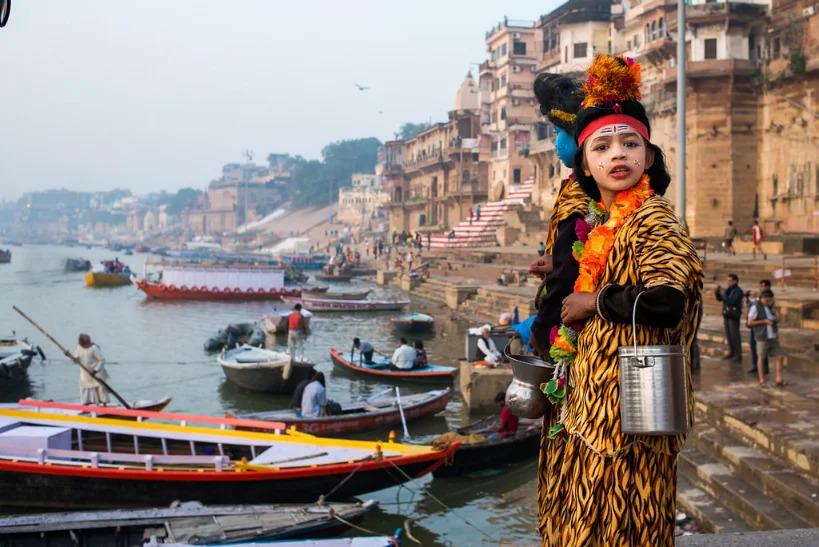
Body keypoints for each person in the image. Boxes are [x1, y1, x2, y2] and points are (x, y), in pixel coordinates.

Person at [537, 55, 704, 545]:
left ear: (649, 157)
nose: (619, 155)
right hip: (590, 411)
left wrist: (596, 302)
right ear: (585, 163)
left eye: (631, 144)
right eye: (603, 146)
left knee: (619, 530)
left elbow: (667, 300)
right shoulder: (608, 221)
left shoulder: (652, 218)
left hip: (627, 422)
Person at [748, 289, 787, 389]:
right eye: (767, 300)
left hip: (772, 336)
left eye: (769, 300)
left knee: (780, 355)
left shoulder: (768, 307)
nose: (768, 302)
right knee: (761, 357)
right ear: (762, 298)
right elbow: (750, 323)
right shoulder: (755, 307)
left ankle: (779, 378)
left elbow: (770, 316)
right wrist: (764, 321)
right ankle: (762, 380)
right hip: (762, 336)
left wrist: (774, 319)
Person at [74, 333, 110, 405]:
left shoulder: (94, 348)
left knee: (101, 389)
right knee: (85, 388)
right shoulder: (79, 348)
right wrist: (73, 358)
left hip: (97, 372)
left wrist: (95, 370)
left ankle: (104, 404)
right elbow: (76, 359)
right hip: (85, 373)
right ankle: (85, 404)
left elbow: (102, 360)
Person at [715, 273, 744, 362]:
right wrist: (717, 292)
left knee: (735, 335)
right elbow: (720, 299)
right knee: (729, 335)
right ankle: (731, 352)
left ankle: (737, 354)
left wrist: (724, 295)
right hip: (727, 314)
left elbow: (732, 301)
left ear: (735, 281)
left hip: (733, 316)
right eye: (727, 281)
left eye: (730, 281)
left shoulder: (738, 291)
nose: (728, 282)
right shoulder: (728, 290)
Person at [748, 279, 773, 374]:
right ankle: (755, 365)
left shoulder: (769, 297)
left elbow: (768, 307)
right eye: (760, 286)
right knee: (754, 346)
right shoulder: (758, 299)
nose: (761, 288)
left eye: (763, 286)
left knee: (763, 349)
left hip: (763, 328)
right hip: (756, 326)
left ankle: (764, 367)